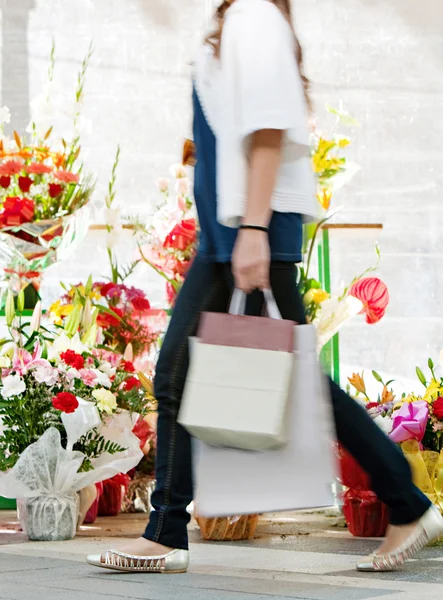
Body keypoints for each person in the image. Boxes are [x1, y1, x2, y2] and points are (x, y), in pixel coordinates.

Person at [87, 0, 443, 574]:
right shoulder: (244, 18)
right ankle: (168, 530)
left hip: (247, 236)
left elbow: (269, 127)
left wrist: (252, 228)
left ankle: (167, 531)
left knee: (207, 375)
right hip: (229, 239)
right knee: (242, 377)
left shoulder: (254, 15)